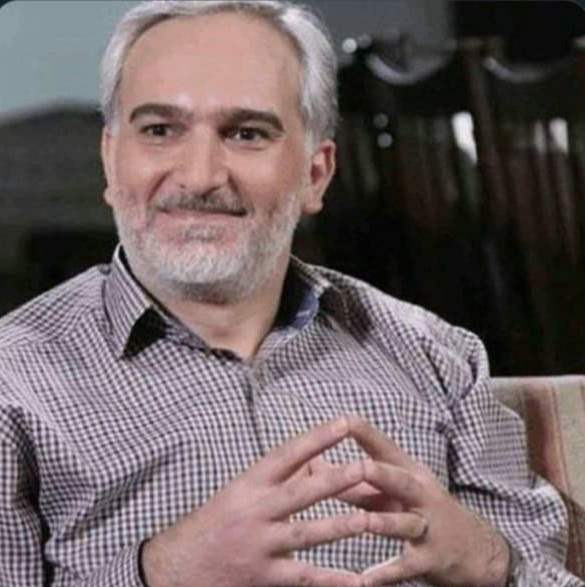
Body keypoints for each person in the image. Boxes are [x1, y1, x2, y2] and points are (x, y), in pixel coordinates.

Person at [0, 1, 581, 586]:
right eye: (159, 131)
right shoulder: (14, 381)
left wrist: (486, 559)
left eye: (246, 133)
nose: (200, 176)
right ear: (110, 159)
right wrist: (161, 573)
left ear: (315, 174)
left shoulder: (438, 356)